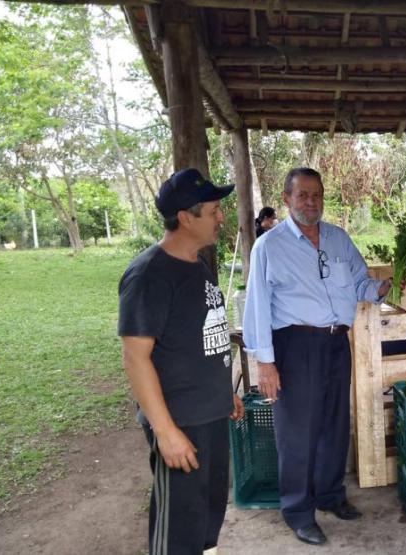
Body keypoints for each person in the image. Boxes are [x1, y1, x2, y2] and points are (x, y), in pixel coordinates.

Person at [243, 167, 391, 546]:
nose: (311, 202)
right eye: (302, 195)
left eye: (317, 195)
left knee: (334, 423)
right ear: (287, 198)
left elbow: (359, 283)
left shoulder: (338, 239)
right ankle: (297, 511)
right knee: (297, 432)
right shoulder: (269, 246)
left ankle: (330, 494)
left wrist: (382, 288)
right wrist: (265, 363)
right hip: (295, 345)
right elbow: (257, 305)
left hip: (336, 342)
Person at [118, 168, 245, 555]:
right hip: (180, 423)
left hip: (211, 416)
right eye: (214, 211)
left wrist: (224, 394)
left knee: (207, 519)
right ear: (186, 218)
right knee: (178, 530)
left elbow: (200, 339)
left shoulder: (196, 263)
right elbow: (134, 358)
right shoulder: (149, 275)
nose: (221, 218)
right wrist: (166, 431)